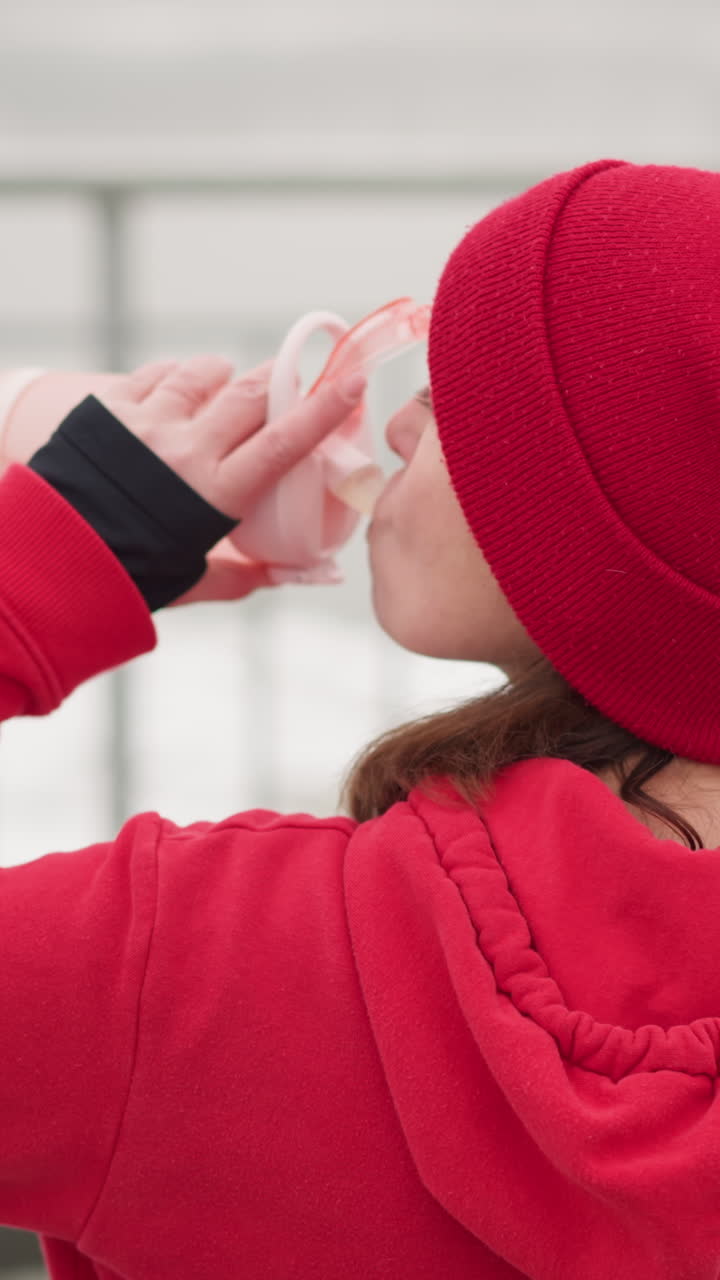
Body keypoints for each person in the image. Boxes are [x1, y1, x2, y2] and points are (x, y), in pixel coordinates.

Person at [1, 157, 720, 1280]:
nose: (392, 434)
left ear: (595, 514)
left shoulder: (188, 969)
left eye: (462, 398)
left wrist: (44, 572)